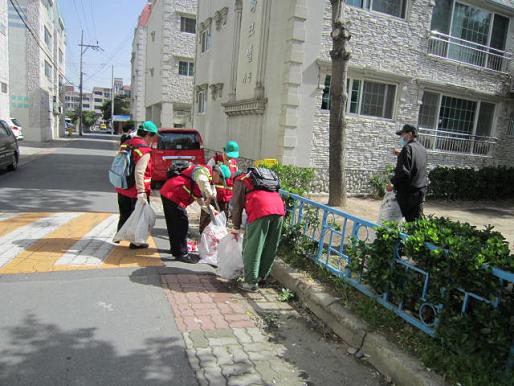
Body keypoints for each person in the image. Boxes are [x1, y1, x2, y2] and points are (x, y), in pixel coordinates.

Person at [230, 170, 285, 292]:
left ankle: (251, 282)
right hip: (279, 209)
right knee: (270, 246)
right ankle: (261, 276)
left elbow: (236, 206)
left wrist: (236, 227)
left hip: (260, 209)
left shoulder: (240, 180)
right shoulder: (261, 179)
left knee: (253, 247)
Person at [160, 161, 217, 263]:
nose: (218, 182)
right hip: (173, 195)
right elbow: (202, 181)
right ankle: (182, 254)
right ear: (217, 173)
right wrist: (209, 195)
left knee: (173, 224)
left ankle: (176, 250)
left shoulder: (204, 177)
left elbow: (199, 200)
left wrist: (211, 210)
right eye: (220, 179)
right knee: (182, 225)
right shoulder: (203, 172)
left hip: (168, 192)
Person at [115, 120, 159, 248]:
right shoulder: (144, 150)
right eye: (154, 136)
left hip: (122, 186)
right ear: (148, 135)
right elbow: (139, 172)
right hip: (136, 190)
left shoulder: (126, 143)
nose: (154, 139)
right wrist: (141, 192)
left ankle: (119, 235)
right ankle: (136, 242)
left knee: (124, 213)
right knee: (140, 217)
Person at [388, 124, 428, 222]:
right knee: (414, 224)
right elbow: (414, 165)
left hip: (408, 194)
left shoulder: (407, 148)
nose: (401, 137)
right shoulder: (422, 149)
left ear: (409, 134)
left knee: (392, 222)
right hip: (420, 193)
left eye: (402, 134)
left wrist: (392, 183)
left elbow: (404, 172)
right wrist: (401, 155)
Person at [199, 164, 232, 233]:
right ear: (217, 174)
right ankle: (204, 233)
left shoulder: (211, 178)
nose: (219, 182)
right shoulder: (204, 176)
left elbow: (212, 187)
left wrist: (213, 195)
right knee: (207, 216)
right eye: (221, 180)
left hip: (221, 199)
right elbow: (200, 199)